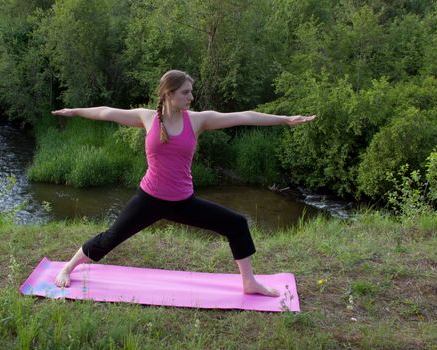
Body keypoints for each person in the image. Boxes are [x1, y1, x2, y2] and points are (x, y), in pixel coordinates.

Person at [51, 70, 315, 297]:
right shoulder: (148, 118)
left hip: (182, 202)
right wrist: (74, 111)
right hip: (148, 199)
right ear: (169, 93)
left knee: (236, 224)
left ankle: (249, 282)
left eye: (191, 92)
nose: (191, 97)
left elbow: (243, 116)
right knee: (108, 239)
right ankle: (68, 267)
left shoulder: (198, 120)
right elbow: (106, 112)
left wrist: (285, 120)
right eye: (186, 92)